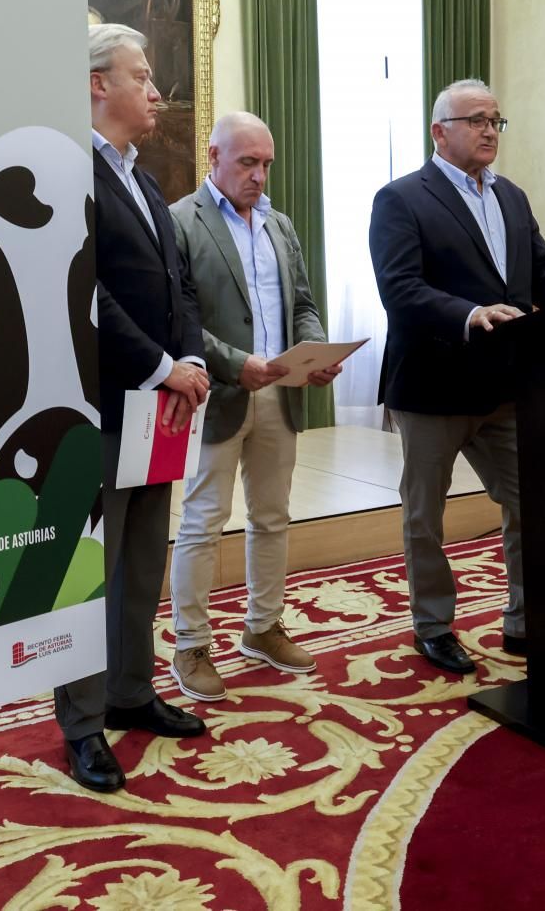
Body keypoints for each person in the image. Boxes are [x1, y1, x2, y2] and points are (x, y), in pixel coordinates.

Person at [368, 79, 545, 675]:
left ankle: (524, 619)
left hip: (507, 387)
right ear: (440, 131)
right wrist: (469, 314)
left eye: (496, 120)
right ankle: (433, 626)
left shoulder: (511, 195)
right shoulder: (402, 198)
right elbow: (400, 289)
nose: (490, 130)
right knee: (425, 515)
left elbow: (543, 271)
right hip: (434, 386)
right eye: (477, 120)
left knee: (533, 502)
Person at [54, 23, 211, 794]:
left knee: (144, 559)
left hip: (159, 406)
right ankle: (81, 726)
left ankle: (130, 691)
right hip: (97, 405)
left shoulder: (143, 178)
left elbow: (176, 284)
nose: (157, 92)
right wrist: (160, 367)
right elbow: (83, 289)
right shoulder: (67, 168)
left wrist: (192, 361)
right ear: (96, 83)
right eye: (142, 76)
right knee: (93, 570)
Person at [166, 112, 342, 701]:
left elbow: (304, 302)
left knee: (272, 517)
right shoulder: (181, 222)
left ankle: (262, 627)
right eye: (247, 162)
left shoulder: (279, 226)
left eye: (266, 163)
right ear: (213, 156)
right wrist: (233, 361)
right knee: (202, 523)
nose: (259, 175)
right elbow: (179, 319)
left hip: (278, 395)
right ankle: (190, 644)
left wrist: (314, 351)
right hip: (216, 394)